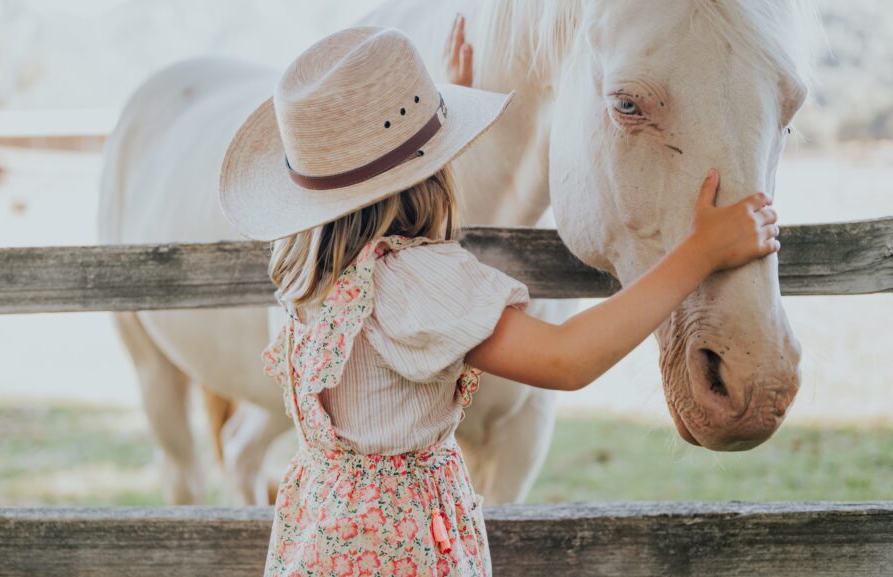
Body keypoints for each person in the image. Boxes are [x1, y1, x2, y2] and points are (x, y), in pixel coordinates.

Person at [218, 25, 779, 577]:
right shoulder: (414, 283)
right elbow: (566, 357)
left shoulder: (310, 269)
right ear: (428, 175)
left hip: (326, 537)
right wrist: (699, 252)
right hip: (405, 548)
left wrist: (428, 145)